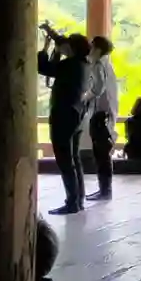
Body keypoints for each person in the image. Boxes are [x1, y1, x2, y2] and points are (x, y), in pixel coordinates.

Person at [38, 29, 93, 215]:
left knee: (65, 161)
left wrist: (47, 47)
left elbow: (44, 68)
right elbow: (53, 68)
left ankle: (72, 202)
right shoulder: (84, 64)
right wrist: (57, 50)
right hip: (77, 115)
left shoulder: (70, 64)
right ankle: (78, 200)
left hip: (63, 115)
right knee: (74, 159)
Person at [86, 36, 120, 201]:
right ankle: (104, 189)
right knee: (103, 154)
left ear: (98, 49)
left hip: (100, 114)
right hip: (106, 114)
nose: (90, 50)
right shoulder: (107, 64)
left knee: (101, 154)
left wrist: (85, 97)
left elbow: (98, 88)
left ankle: (105, 191)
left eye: (92, 47)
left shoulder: (99, 64)